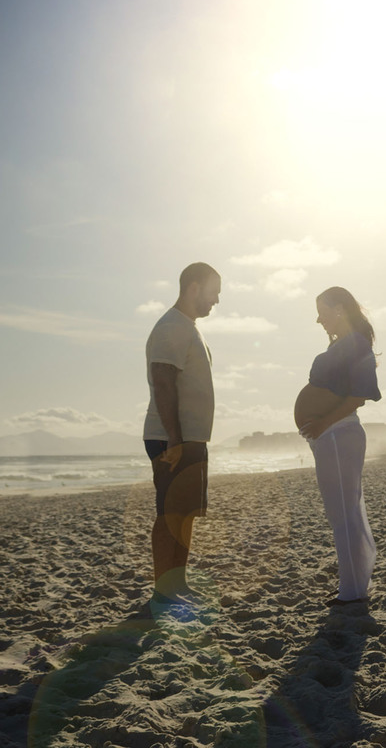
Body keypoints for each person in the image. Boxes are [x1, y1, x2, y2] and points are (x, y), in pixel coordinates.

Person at [294, 286, 381, 606]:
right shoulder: (343, 345)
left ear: (340, 309)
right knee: (343, 512)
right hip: (331, 436)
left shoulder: (356, 344)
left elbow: (358, 396)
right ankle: (354, 586)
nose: (319, 320)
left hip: (338, 434)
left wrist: (320, 423)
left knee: (343, 513)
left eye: (322, 311)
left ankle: (352, 592)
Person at [141, 262, 220, 611]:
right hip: (171, 437)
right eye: (213, 292)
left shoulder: (189, 328)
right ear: (194, 287)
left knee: (185, 514)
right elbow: (163, 380)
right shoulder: (171, 326)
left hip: (190, 438)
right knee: (169, 514)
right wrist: (174, 438)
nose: (216, 301)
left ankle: (178, 584)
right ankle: (162, 590)